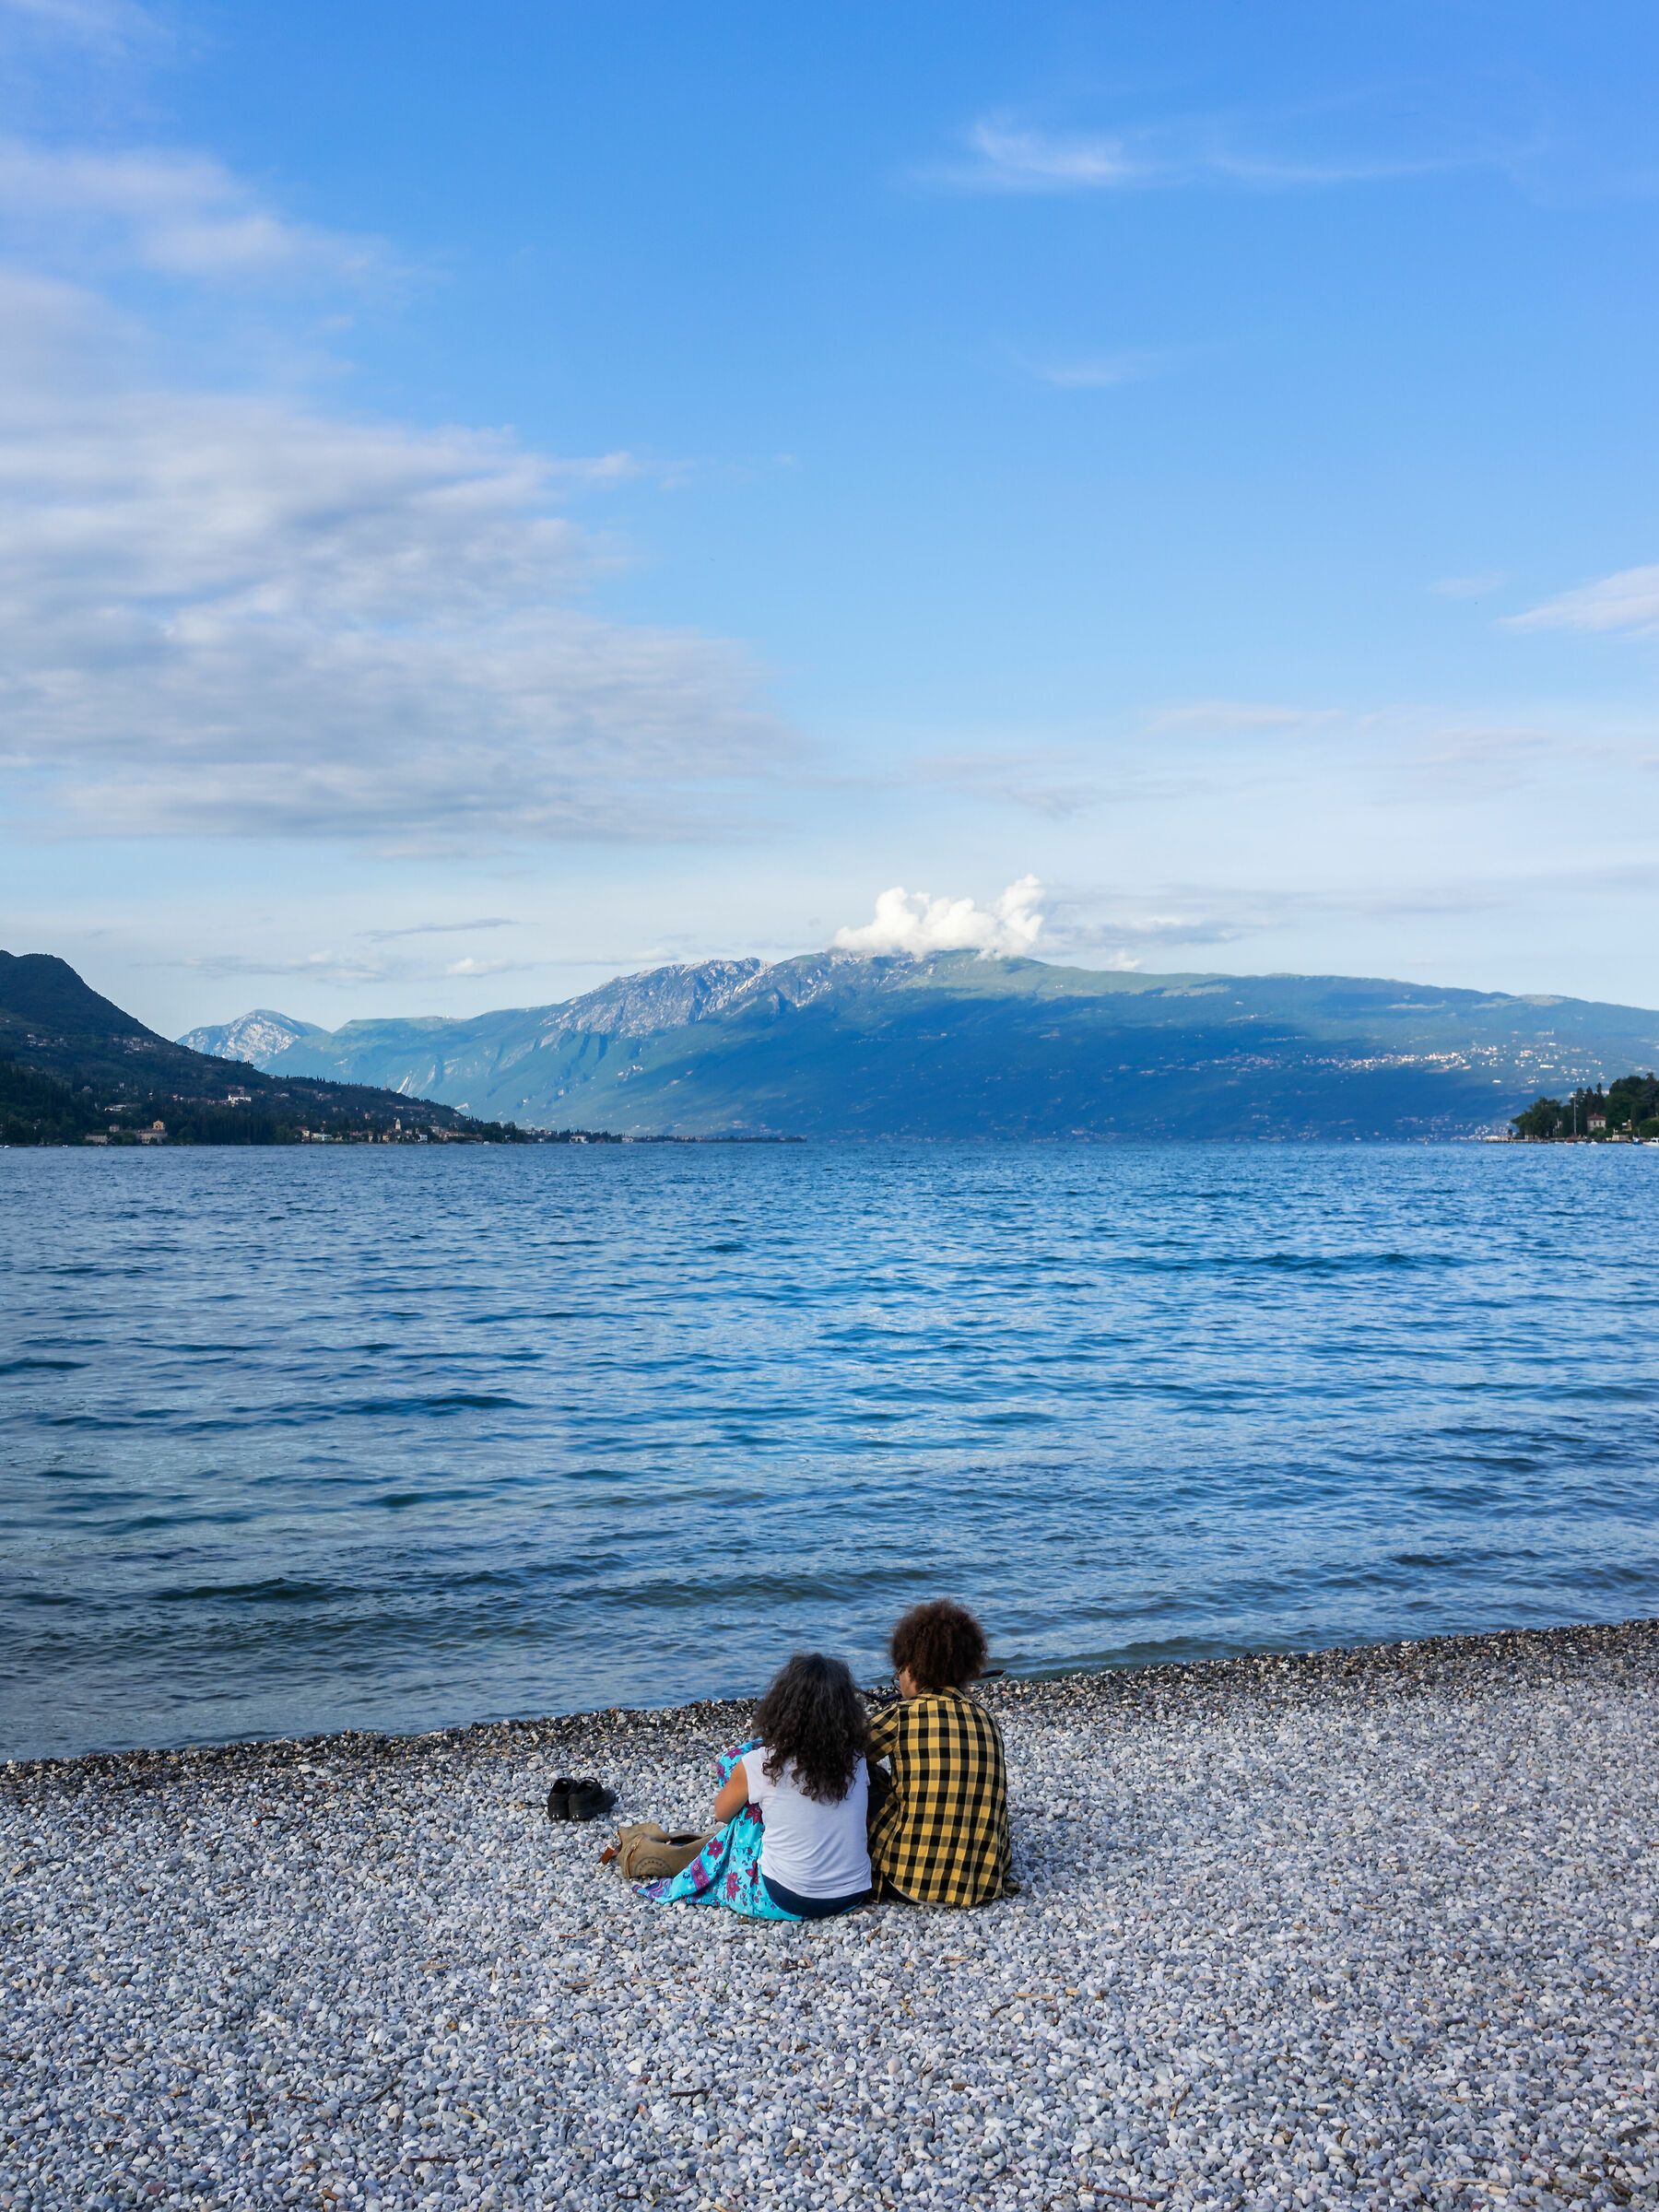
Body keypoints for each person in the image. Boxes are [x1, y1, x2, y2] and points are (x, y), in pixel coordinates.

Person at [634, 1652, 872, 1922]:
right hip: (851, 1895)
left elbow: (721, 1814)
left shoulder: (762, 1762)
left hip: (786, 1897)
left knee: (748, 1813)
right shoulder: (856, 1759)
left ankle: (708, 1874)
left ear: (784, 1708)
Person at [866, 1599, 1013, 1907]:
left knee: (864, 1782)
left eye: (899, 1672)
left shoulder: (901, 1715)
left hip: (910, 1881)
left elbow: (835, 1755)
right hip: (983, 1883)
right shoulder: (987, 1720)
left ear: (911, 1667)